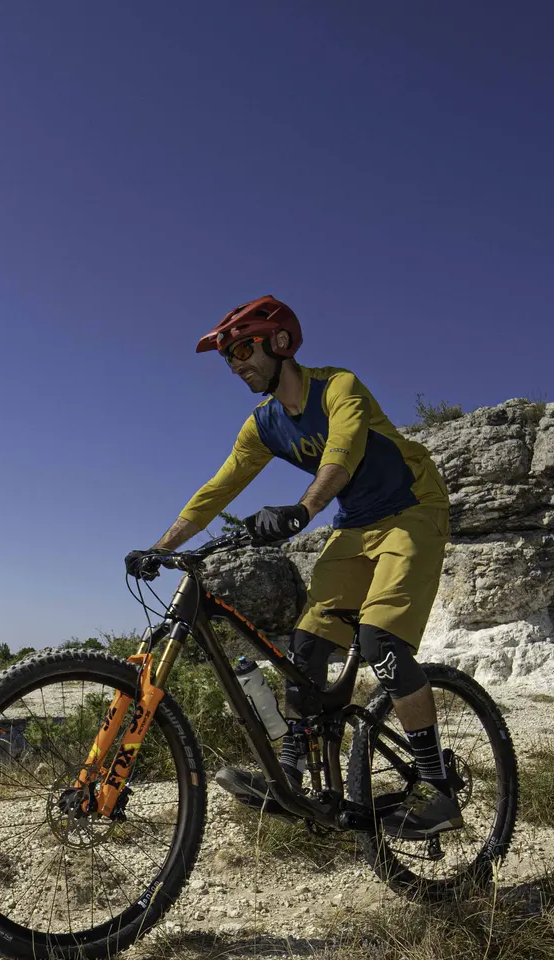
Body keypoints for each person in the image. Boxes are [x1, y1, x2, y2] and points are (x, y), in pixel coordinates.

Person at [124, 295, 459, 839]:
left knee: (381, 645)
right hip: (353, 525)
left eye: (243, 350)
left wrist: (304, 509)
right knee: (303, 653)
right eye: (229, 358)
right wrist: (161, 546)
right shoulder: (262, 425)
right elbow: (220, 486)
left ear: (280, 342)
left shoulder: (338, 387)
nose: (236, 366)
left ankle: (438, 789)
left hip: (412, 511)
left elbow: (343, 452)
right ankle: (294, 777)